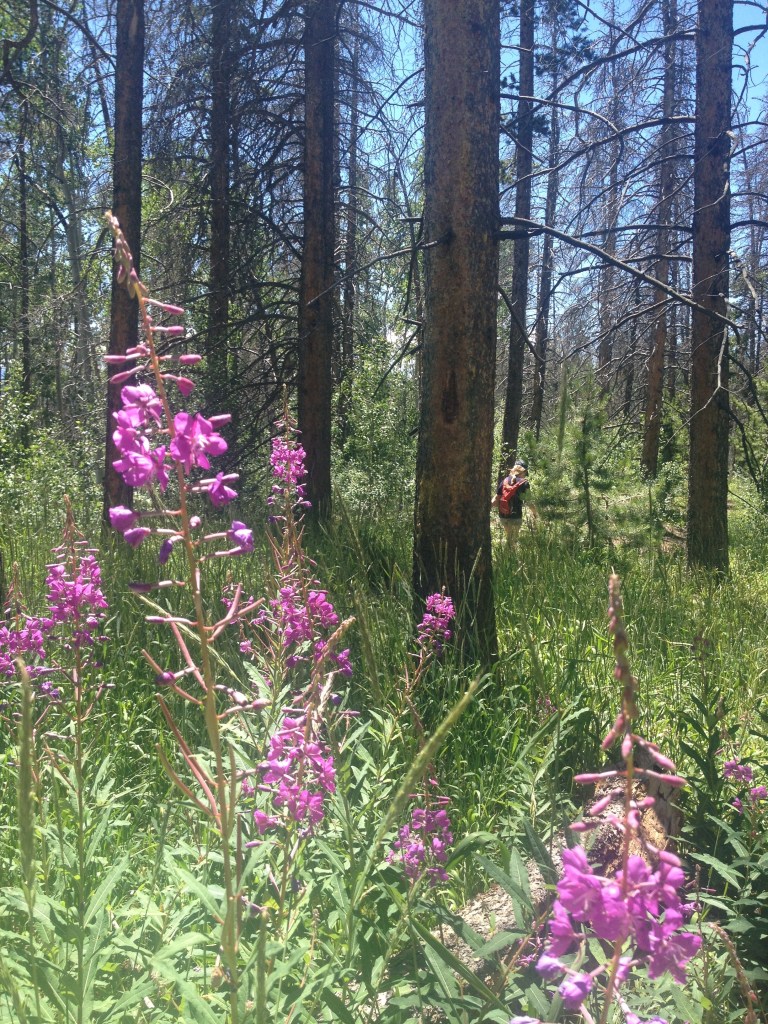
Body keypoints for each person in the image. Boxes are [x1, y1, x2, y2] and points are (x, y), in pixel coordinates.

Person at [491, 459, 532, 545]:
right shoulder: (524, 483)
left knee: (509, 537)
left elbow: (497, 498)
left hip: (503, 515)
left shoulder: (505, 481)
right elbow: (529, 501)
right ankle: (510, 552)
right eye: (525, 473)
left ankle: (507, 551)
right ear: (523, 472)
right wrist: (535, 513)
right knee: (514, 540)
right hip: (516, 515)